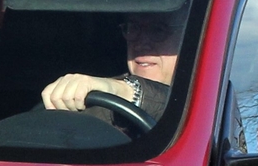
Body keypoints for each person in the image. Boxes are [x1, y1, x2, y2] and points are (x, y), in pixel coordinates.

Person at [41, 8, 184, 125]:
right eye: (133, 28)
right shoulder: (96, 96)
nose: (141, 43)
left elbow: (184, 108)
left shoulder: (205, 104)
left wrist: (126, 92)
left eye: (158, 30)